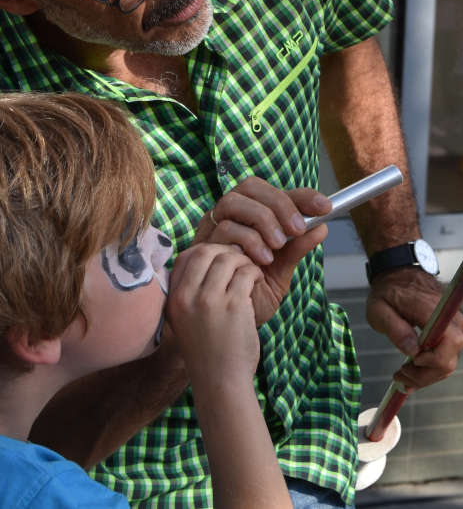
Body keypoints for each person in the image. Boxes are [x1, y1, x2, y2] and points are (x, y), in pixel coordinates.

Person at [0, 0, 463, 508]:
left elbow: (346, 44)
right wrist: (190, 341)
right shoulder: (12, 129)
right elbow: (24, 450)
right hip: (134, 487)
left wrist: (399, 257)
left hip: (315, 435)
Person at [0, 91, 295, 509]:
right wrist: (223, 378)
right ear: (36, 332)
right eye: (129, 251)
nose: (164, 244)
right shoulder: (49, 496)